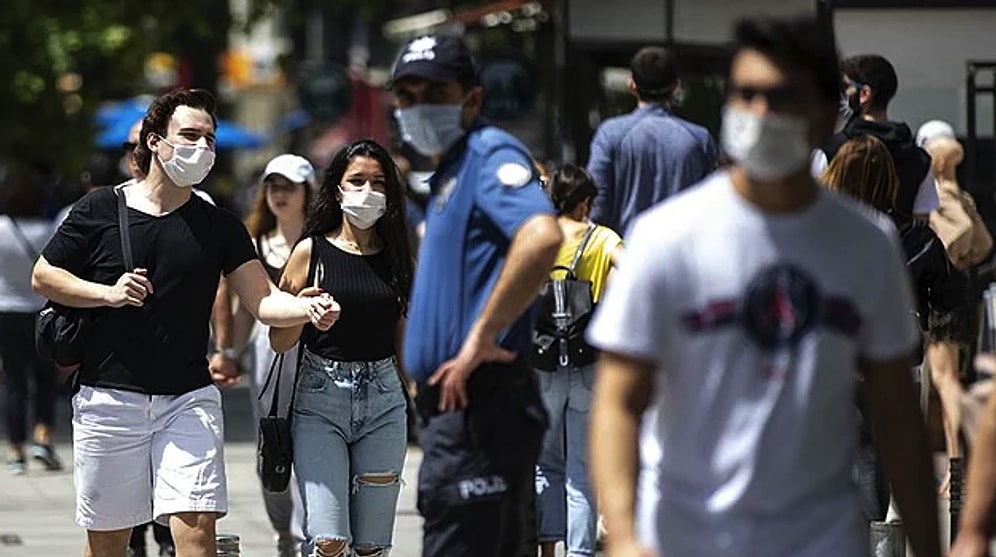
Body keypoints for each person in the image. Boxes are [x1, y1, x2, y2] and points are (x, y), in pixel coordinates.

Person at [587, 16, 942, 557]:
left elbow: (896, 416)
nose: (760, 113)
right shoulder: (666, 237)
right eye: (746, 94)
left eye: (782, 97)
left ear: (826, 116)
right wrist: (625, 534)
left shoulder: (868, 245)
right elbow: (617, 401)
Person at [31, 88, 340, 557]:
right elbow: (44, 275)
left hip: (188, 399)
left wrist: (307, 307)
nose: (203, 148)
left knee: (197, 533)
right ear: (155, 141)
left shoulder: (219, 225)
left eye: (210, 139)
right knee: (109, 545)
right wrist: (107, 294)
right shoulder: (99, 211)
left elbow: (264, 301)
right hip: (110, 399)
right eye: (190, 135)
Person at [389, 34, 563, 557]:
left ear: (473, 99)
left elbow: (542, 235)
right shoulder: (451, 172)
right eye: (407, 95)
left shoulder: (489, 154)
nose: (419, 106)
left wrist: (477, 340)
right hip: (458, 410)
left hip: (478, 404)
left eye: (435, 92)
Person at [268, 139, 414, 557]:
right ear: (337, 189)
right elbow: (278, 339)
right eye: (357, 181)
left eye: (378, 182)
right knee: (329, 540)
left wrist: (418, 386)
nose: (368, 191)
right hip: (320, 401)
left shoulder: (398, 258)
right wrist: (301, 311)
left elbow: (405, 330)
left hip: (385, 402)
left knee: (370, 546)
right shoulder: (310, 252)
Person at [822, 134, 966, 521]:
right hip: (894, 363)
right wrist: (935, 333)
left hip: (827, 359)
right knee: (876, 460)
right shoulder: (914, 237)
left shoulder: (816, 229)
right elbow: (949, 295)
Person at [224, 153, 316, 556]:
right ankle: (284, 531)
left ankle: (310, 534)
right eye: (273, 186)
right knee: (275, 440)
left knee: (313, 439)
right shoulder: (255, 242)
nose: (280, 195)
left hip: (315, 350)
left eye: (289, 187)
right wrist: (229, 351)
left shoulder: (325, 241)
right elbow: (244, 308)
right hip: (268, 353)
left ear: (307, 191)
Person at [533, 164, 622, 557]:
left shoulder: (541, 237)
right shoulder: (602, 239)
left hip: (544, 364)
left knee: (545, 464)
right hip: (588, 365)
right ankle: (581, 552)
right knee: (582, 470)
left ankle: (547, 548)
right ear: (585, 201)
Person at [586, 45, 718, 235]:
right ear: (676, 85)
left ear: (632, 85)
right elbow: (711, 206)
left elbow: (597, 204)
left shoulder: (610, 133)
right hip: (681, 256)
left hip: (624, 255)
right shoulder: (699, 139)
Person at [825, 54, 938, 219]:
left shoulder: (831, 150)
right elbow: (921, 220)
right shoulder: (919, 159)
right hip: (898, 244)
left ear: (864, 94)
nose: (841, 94)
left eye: (845, 87)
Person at [0, 165, 60, 475]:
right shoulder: (47, 231)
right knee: (44, 379)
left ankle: (16, 450)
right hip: (39, 311)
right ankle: (43, 437)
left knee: (13, 382)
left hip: (6, 311)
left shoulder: (0, 229)